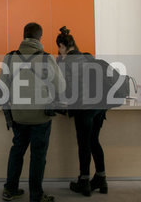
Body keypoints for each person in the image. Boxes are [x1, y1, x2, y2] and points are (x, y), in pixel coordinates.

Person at [0, 23, 65, 202]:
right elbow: (62, 86)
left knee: (17, 151)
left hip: (18, 115)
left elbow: (1, 90)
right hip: (40, 117)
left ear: (23, 35)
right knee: (38, 156)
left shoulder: (10, 58)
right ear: (40, 38)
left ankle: (10, 189)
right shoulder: (46, 58)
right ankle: (36, 195)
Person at [56, 26, 108, 196]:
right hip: (100, 106)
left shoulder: (67, 61)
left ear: (63, 46)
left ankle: (84, 181)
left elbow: (64, 88)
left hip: (84, 107)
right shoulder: (87, 57)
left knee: (84, 144)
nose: (59, 51)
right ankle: (101, 179)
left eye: (59, 48)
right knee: (94, 141)